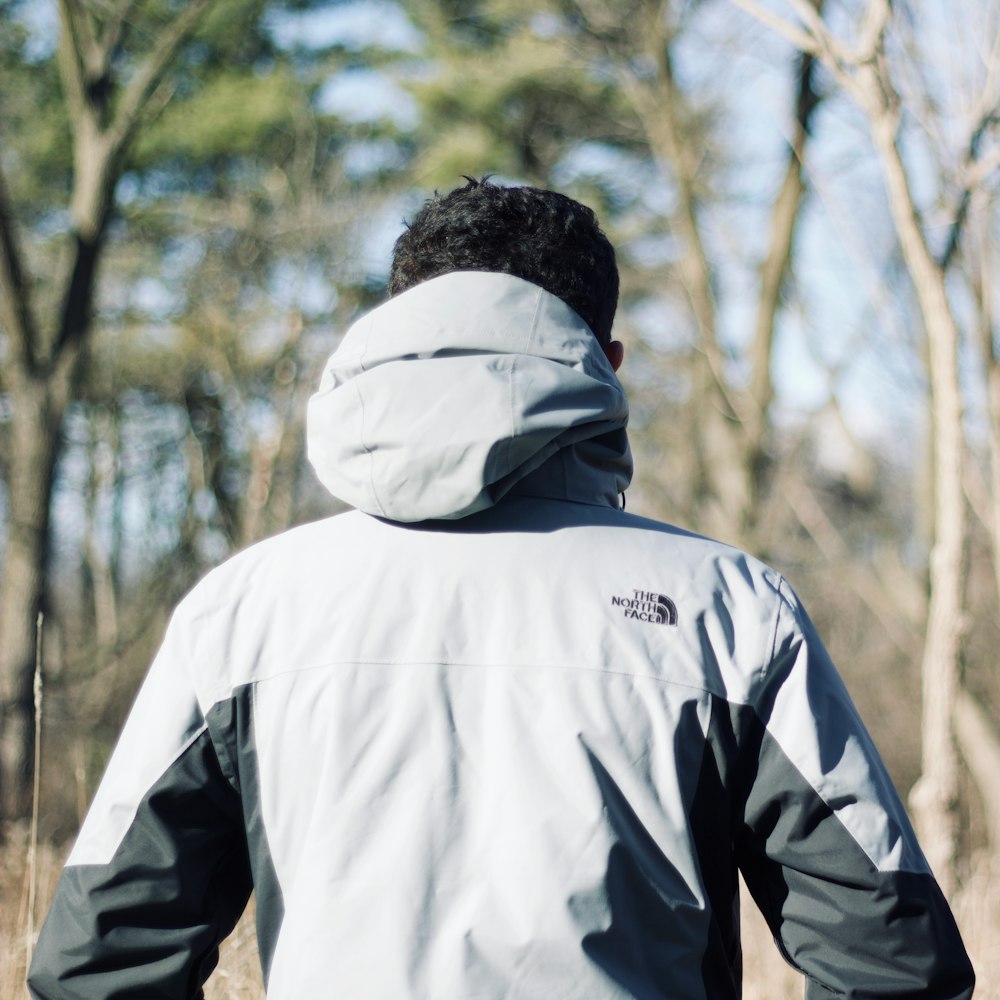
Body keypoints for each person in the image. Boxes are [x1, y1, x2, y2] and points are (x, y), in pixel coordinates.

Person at [29, 178, 975, 999]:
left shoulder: (240, 613)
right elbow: (888, 959)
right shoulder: (727, 609)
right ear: (608, 366)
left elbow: (100, 964)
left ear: (397, 341)